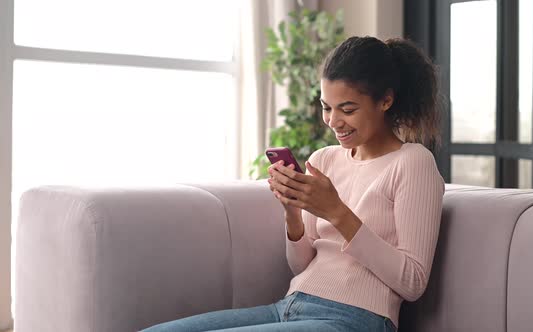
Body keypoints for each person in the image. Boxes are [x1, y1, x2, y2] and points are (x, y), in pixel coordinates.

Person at [141, 35, 445, 332]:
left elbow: (413, 281)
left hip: (357, 319)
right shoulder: (325, 159)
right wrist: (292, 212)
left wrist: (337, 212)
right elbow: (301, 266)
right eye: (327, 107)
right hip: (289, 306)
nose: (333, 121)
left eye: (348, 109)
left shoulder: (413, 162)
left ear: (386, 101)